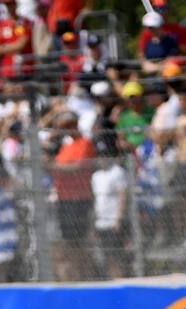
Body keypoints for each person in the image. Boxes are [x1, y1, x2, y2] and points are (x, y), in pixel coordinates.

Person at [51, 111, 96, 280]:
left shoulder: (85, 144)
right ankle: (74, 276)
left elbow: (77, 168)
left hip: (79, 199)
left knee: (80, 242)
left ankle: (86, 276)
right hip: (63, 199)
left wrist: (50, 167)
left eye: (65, 127)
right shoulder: (66, 147)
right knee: (67, 242)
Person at [90, 149, 128, 276]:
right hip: (101, 222)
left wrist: (119, 219)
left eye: (105, 155)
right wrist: (93, 222)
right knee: (105, 255)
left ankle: (120, 279)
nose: (102, 159)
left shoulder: (117, 172)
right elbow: (96, 200)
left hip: (113, 221)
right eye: (99, 156)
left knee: (116, 254)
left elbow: (123, 196)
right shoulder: (96, 176)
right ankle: (111, 278)